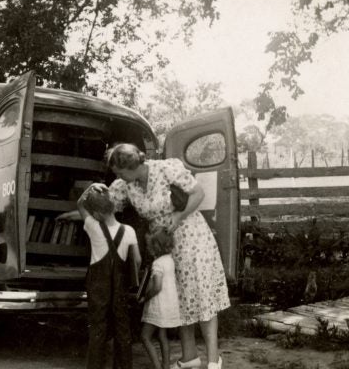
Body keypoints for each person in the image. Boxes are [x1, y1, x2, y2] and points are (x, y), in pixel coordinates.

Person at [103, 143, 230, 369]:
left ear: (132, 165)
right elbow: (105, 206)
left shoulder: (166, 169)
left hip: (191, 237)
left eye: (120, 171)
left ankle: (213, 360)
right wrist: (81, 210)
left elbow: (198, 193)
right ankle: (189, 357)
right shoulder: (126, 185)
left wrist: (179, 216)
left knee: (202, 295)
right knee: (179, 299)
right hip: (164, 246)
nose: (117, 176)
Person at [60, 183, 141, 369]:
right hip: (119, 286)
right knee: (122, 329)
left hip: (98, 285)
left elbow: (80, 205)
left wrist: (91, 187)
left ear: (96, 214)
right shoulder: (129, 231)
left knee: (97, 329)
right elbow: (137, 260)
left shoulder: (93, 226)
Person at [139, 227, 181, 369]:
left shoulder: (157, 263)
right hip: (169, 305)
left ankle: (157, 367)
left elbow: (157, 286)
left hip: (158, 306)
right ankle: (165, 366)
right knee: (162, 336)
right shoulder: (170, 260)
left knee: (145, 336)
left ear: (157, 246)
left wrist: (145, 297)